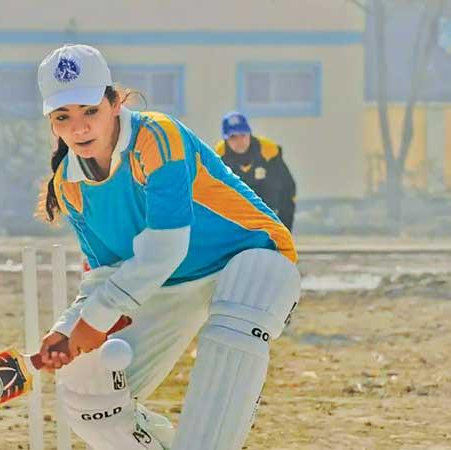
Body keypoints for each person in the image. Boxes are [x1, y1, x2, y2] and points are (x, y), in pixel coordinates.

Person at [35, 44, 301, 450]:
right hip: (168, 286)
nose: (79, 128)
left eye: (90, 111)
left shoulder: (157, 136)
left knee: (233, 332)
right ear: (51, 123)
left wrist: (97, 319)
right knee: (86, 393)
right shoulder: (69, 185)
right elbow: (105, 274)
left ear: (113, 103)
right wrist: (67, 330)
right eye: (63, 117)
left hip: (249, 257)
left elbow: (166, 246)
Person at [215, 112, 297, 230]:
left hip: (268, 214)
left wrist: (283, 229)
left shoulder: (268, 151)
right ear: (225, 139)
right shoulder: (219, 157)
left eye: (243, 134)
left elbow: (287, 189)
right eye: (233, 137)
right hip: (236, 219)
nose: (239, 141)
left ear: (249, 134)